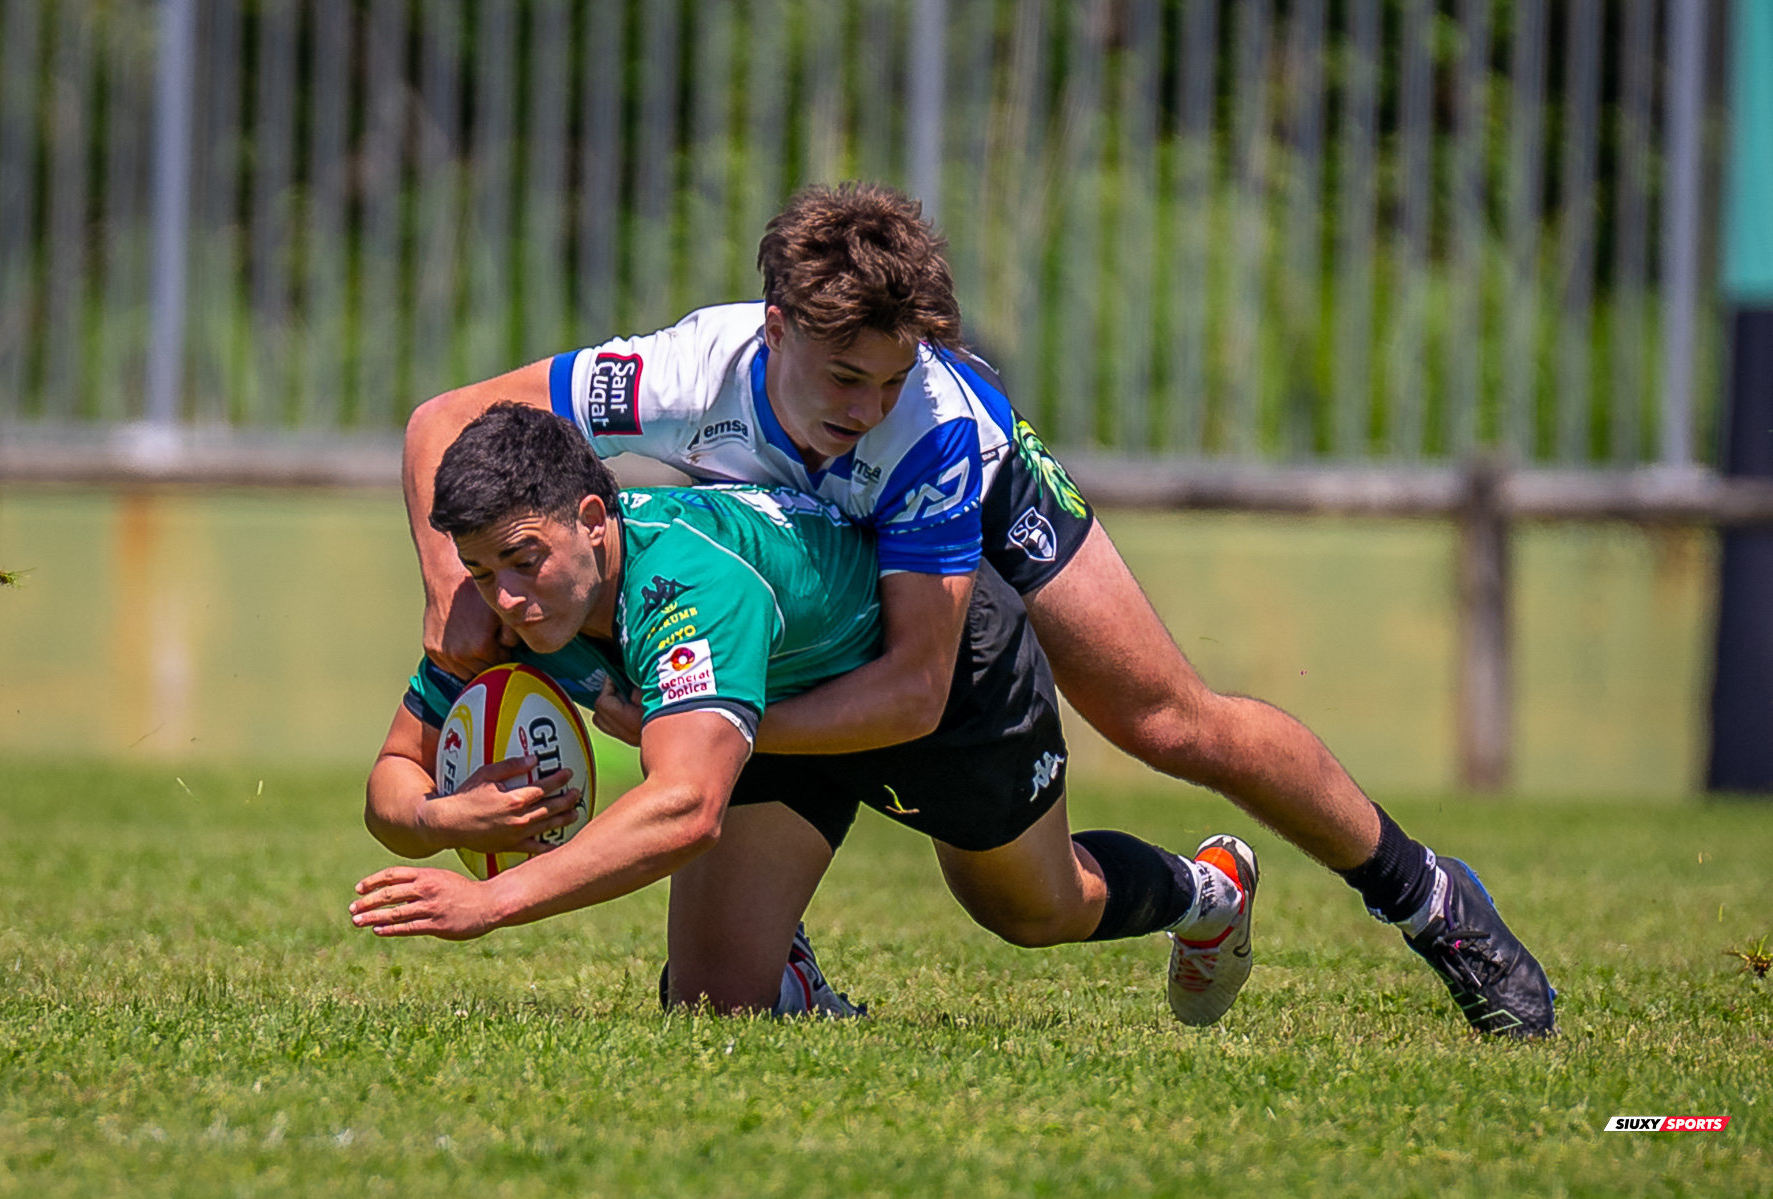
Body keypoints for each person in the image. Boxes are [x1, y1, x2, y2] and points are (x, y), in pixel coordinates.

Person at [399, 183, 1554, 1038]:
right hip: (795, 596)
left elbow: (915, 686)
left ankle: (1427, 896)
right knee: (713, 1001)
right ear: (776, 327)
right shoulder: (682, 370)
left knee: (1157, 733)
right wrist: (453, 592)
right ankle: (782, 961)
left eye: (893, 375)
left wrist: (713, 726)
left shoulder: (933, 432)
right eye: (845, 378)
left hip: (972, 531)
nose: (869, 405)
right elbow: (442, 421)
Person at [354, 403, 1258, 1024]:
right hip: (765, 709)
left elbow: (685, 807)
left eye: (525, 559)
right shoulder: (505, 614)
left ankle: (1206, 893)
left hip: (934, 678)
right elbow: (393, 776)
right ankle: (786, 966)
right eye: (482, 572)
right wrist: (443, 818)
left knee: (1032, 909)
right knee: (713, 1001)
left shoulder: (687, 586)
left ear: (593, 517)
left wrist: (492, 899)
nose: (509, 597)